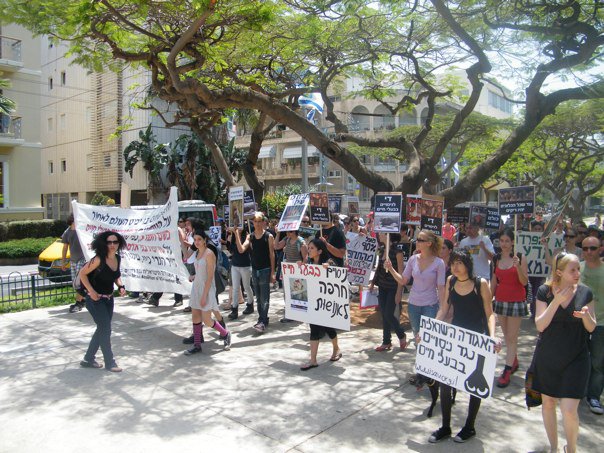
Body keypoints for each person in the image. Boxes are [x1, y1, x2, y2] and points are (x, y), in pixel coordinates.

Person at [429, 249, 500, 444]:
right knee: (445, 383)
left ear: (467, 264)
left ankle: (470, 426)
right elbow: (444, 308)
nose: (456, 267)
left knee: (474, 386)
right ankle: (445, 426)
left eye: (459, 262)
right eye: (453, 263)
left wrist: (493, 337)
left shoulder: (480, 284)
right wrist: (432, 329)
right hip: (456, 338)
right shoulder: (451, 281)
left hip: (476, 339)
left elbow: (489, 313)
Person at [533, 253, 596, 453]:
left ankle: (572, 449)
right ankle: (554, 447)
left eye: (579, 269)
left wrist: (586, 316)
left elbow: (592, 328)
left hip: (576, 358)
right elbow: (540, 325)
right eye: (573, 270)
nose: (578, 273)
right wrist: (556, 302)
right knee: (548, 404)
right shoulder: (545, 291)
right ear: (559, 272)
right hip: (548, 358)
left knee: (569, 411)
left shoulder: (586, 292)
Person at [78, 231, 127, 372]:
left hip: (108, 299)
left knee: (102, 328)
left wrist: (121, 286)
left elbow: (116, 276)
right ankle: (110, 362)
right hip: (94, 300)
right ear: (104, 243)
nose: (112, 245)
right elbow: (82, 273)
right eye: (109, 242)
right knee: (106, 329)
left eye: (115, 242)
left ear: (119, 243)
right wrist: (91, 292)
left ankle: (88, 359)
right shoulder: (99, 259)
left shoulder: (117, 258)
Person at [385, 230, 446, 343]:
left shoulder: (439, 263)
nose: (416, 241)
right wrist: (391, 269)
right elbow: (403, 280)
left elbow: (441, 287)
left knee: (428, 338)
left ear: (429, 243)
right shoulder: (413, 259)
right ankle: (419, 360)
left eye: (420, 240)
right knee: (417, 337)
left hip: (430, 305)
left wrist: (442, 309)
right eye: (417, 239)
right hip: (413, 305)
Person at [490, 228, 529, 388]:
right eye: (501, 241)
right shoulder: (496, 258)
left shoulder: (520, 257)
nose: (504, 244)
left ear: (512, 242)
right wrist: (488, 300)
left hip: (516, 301)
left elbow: (524, 282)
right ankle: (514, 360)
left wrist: (518, 266)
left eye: (507, 241)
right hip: (500, 300)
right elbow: (494, 281)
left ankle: (506, 370)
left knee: (512, 337)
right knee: (507, 336)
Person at [184, 229, 232, 355]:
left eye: (199, 239)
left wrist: (204, 295)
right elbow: (200, 270)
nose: (197, 242)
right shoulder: (197, 253)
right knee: (195, 317)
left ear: (205, 240)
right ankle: (197, 345)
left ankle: (226, 333)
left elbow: (210, 277)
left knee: (207, 320)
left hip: (207, 289)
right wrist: (194, 276)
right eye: (195, 240)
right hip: (196, 288)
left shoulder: (209, 253)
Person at [299, 238, 342, 370]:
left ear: (319, 251)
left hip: (325, 304)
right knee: (314, 329)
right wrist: (299, 267)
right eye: (309, 248)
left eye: (311, 248)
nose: (309, 250)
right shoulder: (310, 263)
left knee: (329, 329)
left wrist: (330, 269)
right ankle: (313, 360)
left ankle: (336, 349)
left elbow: (338, 278)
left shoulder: (329, 262)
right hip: (313, 303)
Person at [235, 212, 276, 333]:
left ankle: (261, 321)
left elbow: (272, 255)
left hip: (265, 270)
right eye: (255, 221)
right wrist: (237, 234)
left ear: (263, 222)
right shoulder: (250, 236)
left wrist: (273, 272)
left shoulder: (268, 236)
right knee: (258, 297)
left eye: (259, 221)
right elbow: (241, 249)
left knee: (264, 297)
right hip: (255, 270)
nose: (257, 224)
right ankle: (263, 318)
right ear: (252, 222)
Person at [370, 233, 407, 352]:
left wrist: (399, 293)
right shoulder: (381, 250)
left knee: (388, 313)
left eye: (381, 233)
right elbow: (378, 269)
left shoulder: (398, 252)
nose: (378, 235)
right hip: (382, 287)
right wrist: (372, 283)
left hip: (393, 287)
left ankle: (401, 335)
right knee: (384, 314)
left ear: (388, 236)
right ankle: (386, 341)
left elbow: (401, 274)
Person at [581, 236, 604, 414]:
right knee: (577, 359)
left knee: (598, 362)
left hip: (601, 324)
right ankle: (577, 390)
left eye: (593, 248)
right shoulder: (576, 269)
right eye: (585, 248)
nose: (589, 252)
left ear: (600, 249)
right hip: (577, 323)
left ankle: (593, 396)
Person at [274, 229, 308, 323]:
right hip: (287, 271)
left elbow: (305, 258)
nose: (287, 233)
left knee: (297, 293)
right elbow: (276, 246)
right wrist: (277, 234)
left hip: (297, 272)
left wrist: (301, 266)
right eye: (286, 232)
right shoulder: (286, 239)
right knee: (287, 293)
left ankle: (298, 314)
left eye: (289, 231)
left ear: (294, 232)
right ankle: (290, 313)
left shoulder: (300, 242)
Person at [226, 225, 254, 320]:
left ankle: (250, 304)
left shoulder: (247, 236)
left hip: (245, 266)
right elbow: (231, 250)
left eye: (240, 225)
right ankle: (234, 310)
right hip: (235, 265)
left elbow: (241, 249)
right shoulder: (233, 236)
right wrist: (229, 239)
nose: (237, 227)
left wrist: (236, 233)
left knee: (246, 286)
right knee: (235, 288)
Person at [61, 214, 86, 313]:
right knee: (75, 283)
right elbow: (64, 247)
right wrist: (63, 262)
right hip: (73, 260)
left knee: (79, 282)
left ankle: (78, 303)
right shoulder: (67, 232)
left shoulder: (82, 230)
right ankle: (83, 299)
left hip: (82, 259)